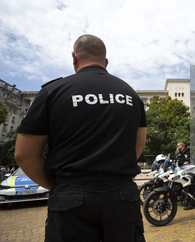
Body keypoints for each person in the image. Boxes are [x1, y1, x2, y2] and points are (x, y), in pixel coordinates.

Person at [15, 34, 147, 242]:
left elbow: (24, 154)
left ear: (74, 57)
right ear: (106, 61)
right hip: (122, 197)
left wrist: (58, 186)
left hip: (71, 197)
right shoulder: (130, 94)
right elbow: (139, 145)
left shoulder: (53, 91)